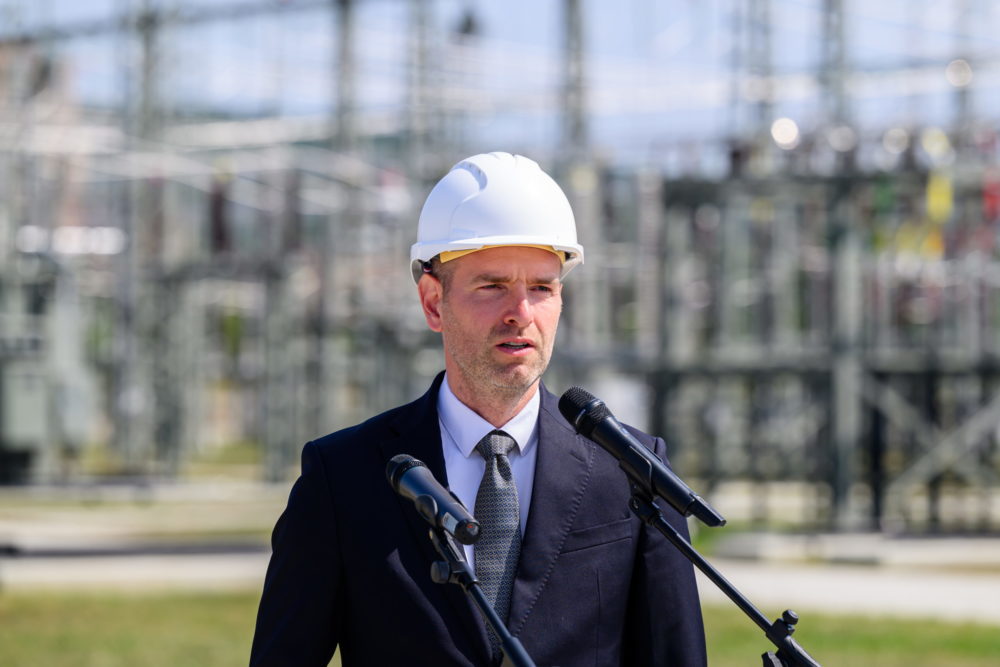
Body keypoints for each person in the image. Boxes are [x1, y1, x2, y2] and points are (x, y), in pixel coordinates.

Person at [250, 152, 706, 667]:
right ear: (432, 302)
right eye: (493, 286)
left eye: (542, 288)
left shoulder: (631, 470)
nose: (521, 313)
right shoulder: (343, 477)